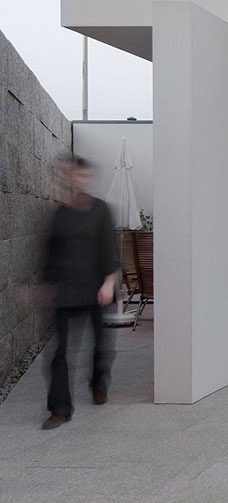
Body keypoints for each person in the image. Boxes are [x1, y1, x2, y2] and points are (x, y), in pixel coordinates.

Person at [38, 154, 120, 430]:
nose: (76, 179)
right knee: (60, 351)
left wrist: (109, 282)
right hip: (65, 290)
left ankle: (98, 382)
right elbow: (51, 255)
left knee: (100, 345)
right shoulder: (59, 214)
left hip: (96, 288)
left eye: (81, 174)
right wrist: (45, 289)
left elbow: (110, 249)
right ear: (65, 178)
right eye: (71, 174)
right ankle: (60, 409)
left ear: (86, 178)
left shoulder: (100, 210)